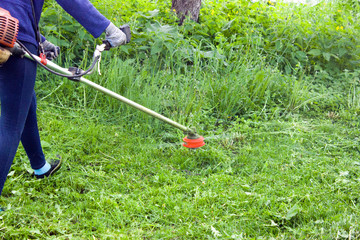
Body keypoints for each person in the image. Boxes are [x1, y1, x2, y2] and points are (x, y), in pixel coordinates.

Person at [0, 0, 128, 211]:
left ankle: (40, 166)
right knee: (10, 125)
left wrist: (39, 40)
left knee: (23, 96)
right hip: (13, 34)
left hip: (11, 29)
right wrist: (110, 30)